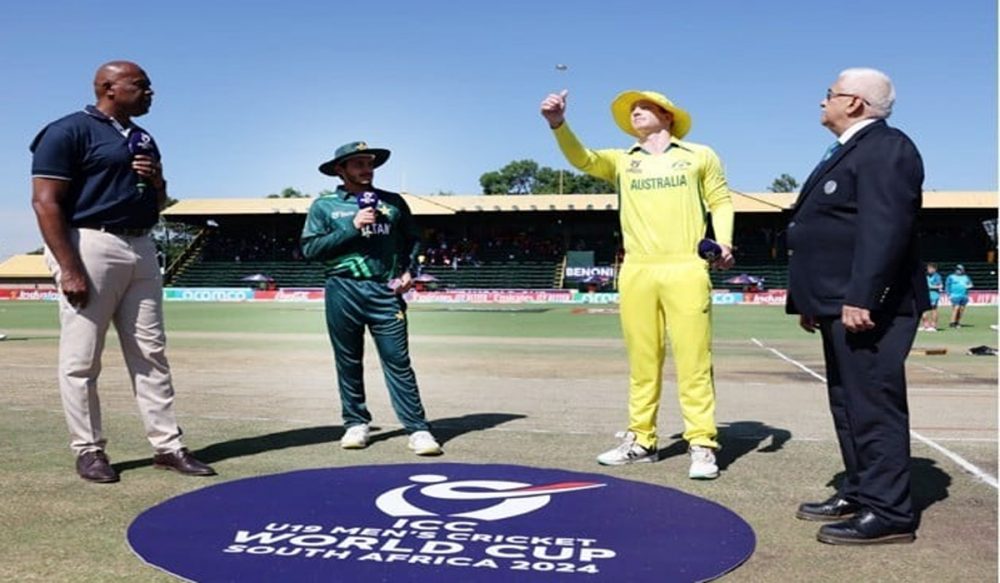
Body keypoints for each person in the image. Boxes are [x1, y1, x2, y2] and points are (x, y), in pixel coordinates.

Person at [30, 61, 215, 483]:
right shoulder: (67, 130)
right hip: (90, 243)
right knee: (81, 358)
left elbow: (158, 201)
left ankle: (167, 446)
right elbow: (45, 201)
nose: (151, 92)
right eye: (141, 85)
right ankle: (89, 450)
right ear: (108, 87)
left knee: (151, 352)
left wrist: (158, 182)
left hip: (141, 244)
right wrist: (69, 267)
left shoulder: (142, 137)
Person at [540, 89, 735, 479]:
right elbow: (582, 159)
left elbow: (720, 200)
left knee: (695, 362)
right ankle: (642, 441)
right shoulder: (622, 160)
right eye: (631, 110)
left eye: (644, 107)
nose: (635, 113)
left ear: (667, 115)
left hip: (686, 266)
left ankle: (702, 444)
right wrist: (558, 124)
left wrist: (725, 242)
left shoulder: (699, 155)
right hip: (638, 269)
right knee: (643, 363)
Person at [786, 68, 927, 545]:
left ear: (854, 103)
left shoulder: (887, 148)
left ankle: (890, 512)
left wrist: (863, 295)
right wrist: (811, 300)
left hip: (868, 305)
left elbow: (885, 228)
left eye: (829, 94)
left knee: (873, 405)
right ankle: (863, 491)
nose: (822, 101)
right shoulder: (849, 149)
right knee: (848, 403)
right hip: (836, 300)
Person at [301, 141, 441, 456]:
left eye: (370, 163)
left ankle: (418, 429)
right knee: (348, 360)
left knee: (398, 362)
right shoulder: (323, 206)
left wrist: (410, 271)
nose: (367, 169)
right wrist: (352, 226)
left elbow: (413, 240)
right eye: (359, 164)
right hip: (343, 289)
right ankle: (356, 423)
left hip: (384, 291)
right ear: (340, 170)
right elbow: (310, 249)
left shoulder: (393, 202)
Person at [944, 264, 973, 328]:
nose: (958, 271)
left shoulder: (966, 277)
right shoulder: (951, 277)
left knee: (961, 309)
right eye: (957, 269)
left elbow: (970, 284)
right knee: (956, 308)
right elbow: (947, 286)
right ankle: (952, 322)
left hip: (964, 295)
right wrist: (948, 294)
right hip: (954, 295)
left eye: (960, 269)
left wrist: (968, 286)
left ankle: (957, 322)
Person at [920, 263, 943, 331]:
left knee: (933, 309)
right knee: (924, 309)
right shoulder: (925, 275)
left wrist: (930, 287)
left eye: (930, 268)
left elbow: (940, 286)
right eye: (928, 268)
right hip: (925, 294)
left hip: (933, 295)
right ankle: (925, 325)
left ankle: (934, 326)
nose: (929, 270)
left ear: (934, 269)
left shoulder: (937, 276)